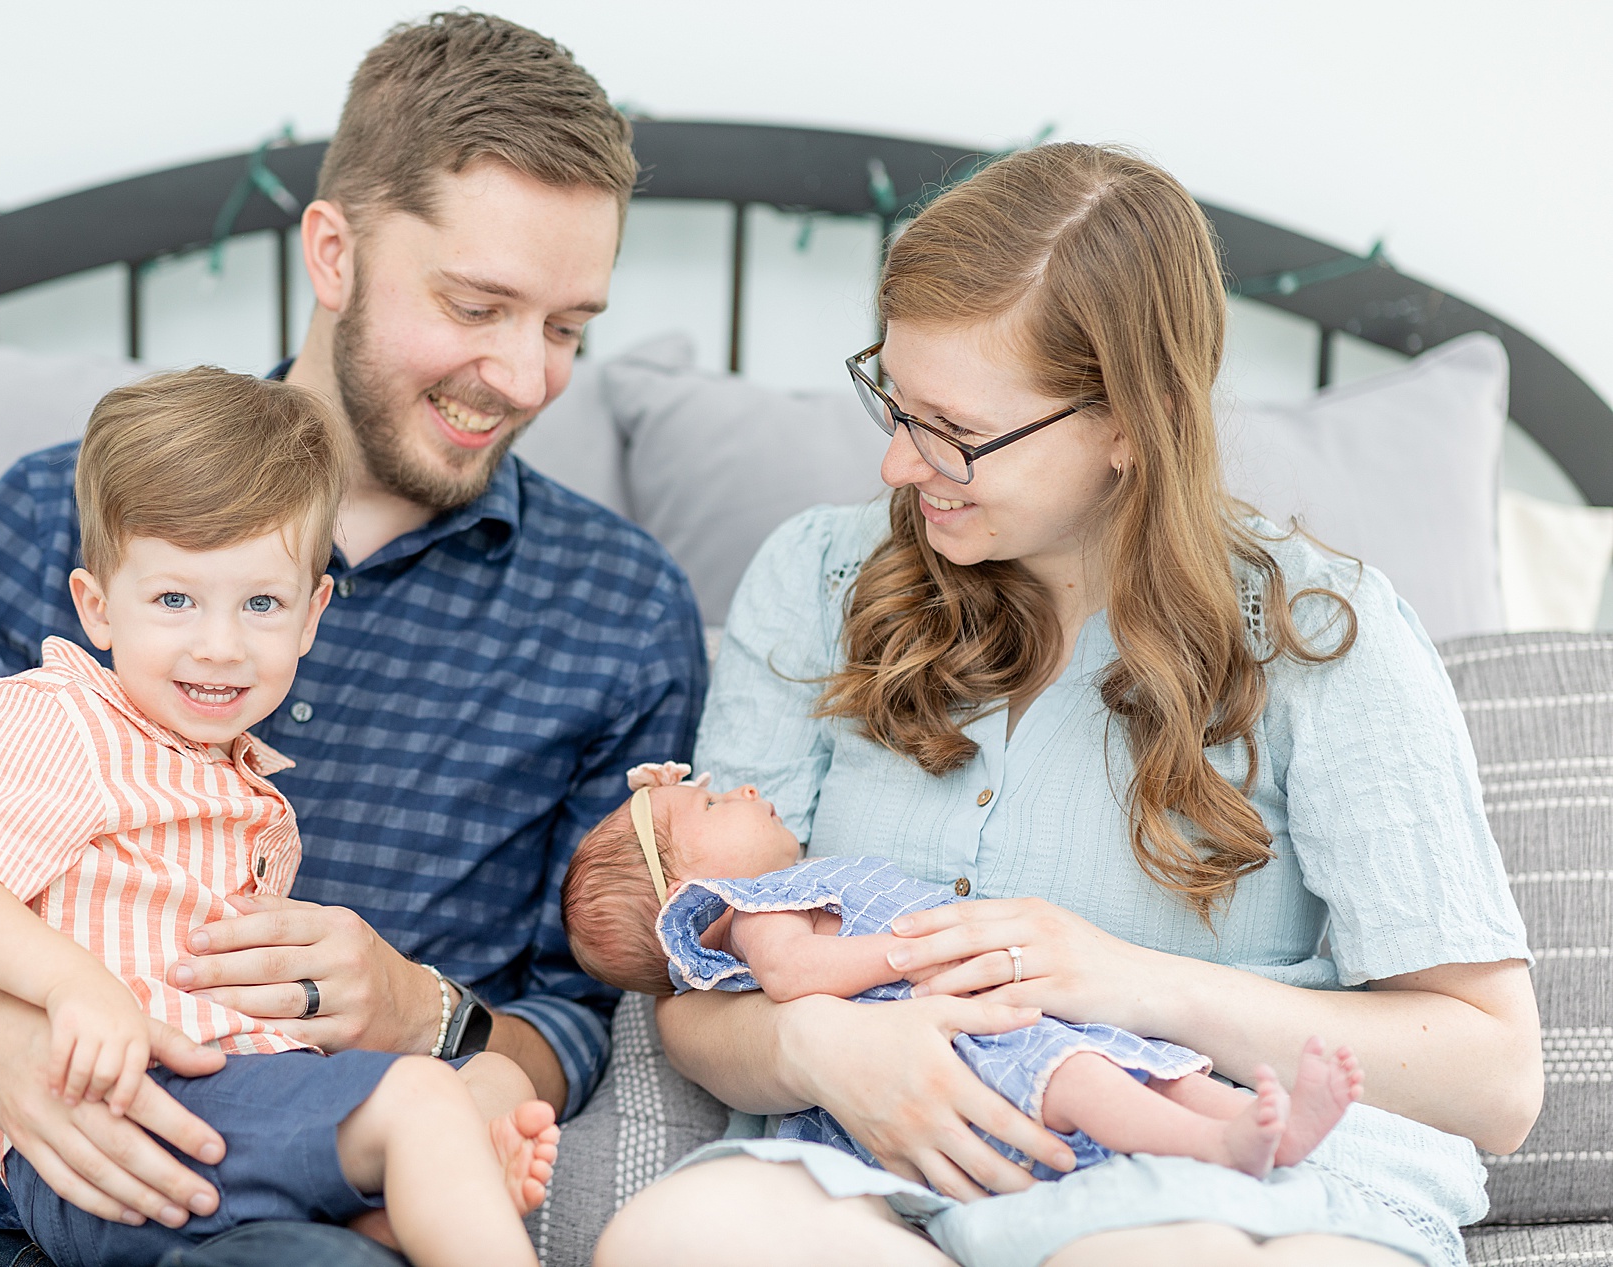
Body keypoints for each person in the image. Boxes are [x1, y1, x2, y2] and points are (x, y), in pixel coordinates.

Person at [0, 13, 703, 1267]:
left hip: (272, 1198)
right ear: (332, 253)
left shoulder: (620, 614)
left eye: (566, 327)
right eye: (476, 305)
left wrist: (425, 1013)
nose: (521, 375)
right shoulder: (57, 509)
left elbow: (583, 1021)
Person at [594, 144, 1540, 1267]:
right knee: (681, 1234)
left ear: (1126, 426)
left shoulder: (1319, 635)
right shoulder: (816, 579)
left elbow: (1494, 1077)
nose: (900, 464)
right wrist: (818, 1049)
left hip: (1235, 1184)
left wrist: (1130, 982)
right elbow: (701, 977)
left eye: (953, 430)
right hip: (881, 1174)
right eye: (893, 401)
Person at [0, 367, 559, 1267]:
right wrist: (71, 987)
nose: (219, 644)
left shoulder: (224, 768)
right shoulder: (62, 718)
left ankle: (396, 1208)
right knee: (425, 1105)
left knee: (493, 1077)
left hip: (237, 1096)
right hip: (125, 1115)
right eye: (174, 600)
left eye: (262, 604)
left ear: (312, 615)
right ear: (97, 606)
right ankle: (424, 1180)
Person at [561, 765, 1361, 1185]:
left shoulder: (798, 883)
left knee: (1123, 1058)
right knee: (1083, 1076)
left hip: (994, 1004)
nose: (736, 789)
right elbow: (798, 972)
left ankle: (1259, 1121)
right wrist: (906, 955)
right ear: (688, 893)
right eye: (707, 806)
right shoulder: (759, 909)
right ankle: (1220, 1142)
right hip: (948, 1035)